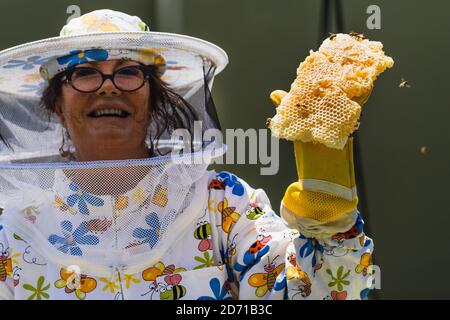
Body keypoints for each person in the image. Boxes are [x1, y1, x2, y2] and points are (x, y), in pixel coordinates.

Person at [0, 9, 373, 300]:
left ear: (154, 99)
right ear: (57, 106)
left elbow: (320, 292)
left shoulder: (222, 203)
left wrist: (329, 221)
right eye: (84, 72)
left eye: (129, 72)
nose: (109, 88)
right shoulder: (14, 233)